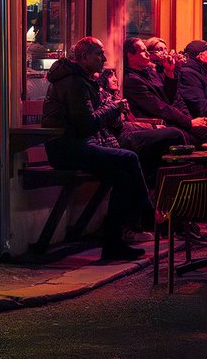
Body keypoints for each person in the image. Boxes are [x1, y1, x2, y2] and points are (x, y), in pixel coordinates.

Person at [42, 37, 153, 262]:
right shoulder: (74, 81)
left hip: (79, 146)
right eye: (99, 54)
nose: (104, 59)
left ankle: (113, 244)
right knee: (129, 158)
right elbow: (87, 125)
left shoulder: (82, 79)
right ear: (84, 57)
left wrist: (112, 109)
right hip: (68, 150)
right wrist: (113, 108)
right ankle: (149, 215)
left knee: (122, 175)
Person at [98, 64, 188, 186]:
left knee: (172, 135)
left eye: (115, 75)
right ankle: (177, 183)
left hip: (127, 132)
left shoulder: (115, 98)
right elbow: (120, 125)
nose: (115, 79)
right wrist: (153, 127)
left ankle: (164, 183)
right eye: (110, 77)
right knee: (175, 134)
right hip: (118, 138)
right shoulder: (105, 97)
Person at [122, 37, 207, 138]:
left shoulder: (147, 72)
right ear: (130, 56)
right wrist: (188, 122)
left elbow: (169, 98)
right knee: (205, 134)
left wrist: (170, 71)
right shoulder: (133, 80)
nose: (148, 54)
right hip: (158, 123)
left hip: (173, 119)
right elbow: (159, 107)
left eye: (165, 49)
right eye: (143, 51)